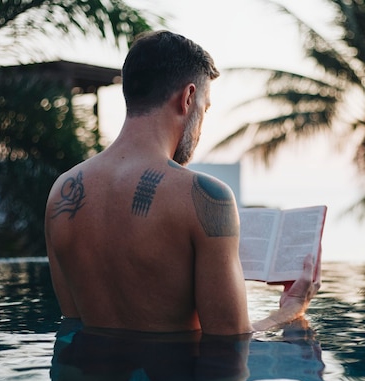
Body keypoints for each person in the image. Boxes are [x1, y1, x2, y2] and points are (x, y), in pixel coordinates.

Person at [44, 30, 321, 336]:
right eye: (205, 107)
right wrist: (291, 309)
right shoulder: (204, 196)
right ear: (188, 98)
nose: (202, 123)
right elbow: (231, 342)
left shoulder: (62, 193)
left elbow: (72, 326)